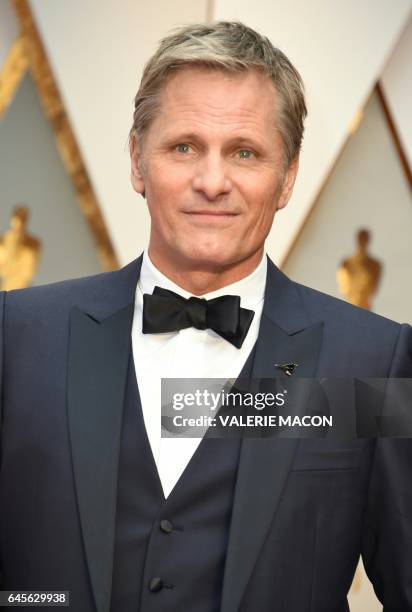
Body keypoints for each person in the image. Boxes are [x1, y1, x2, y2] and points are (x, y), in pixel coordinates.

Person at [0, 21, 411, 612]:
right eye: (183, 147)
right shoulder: (18, 337)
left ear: (287, 176)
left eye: (244, 152)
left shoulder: (376, 361)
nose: (211, 182)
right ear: (139, 163)